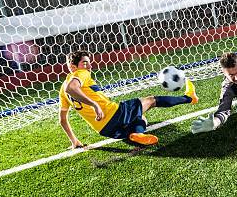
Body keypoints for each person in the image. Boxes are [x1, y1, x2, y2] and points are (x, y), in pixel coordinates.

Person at [59, 50, 199, 148]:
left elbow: (62, 119)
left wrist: (74, 141)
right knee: (151, 100)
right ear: (72, 67)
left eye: (89, 63)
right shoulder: (80, 74)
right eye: (84, 63)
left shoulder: (61, 91)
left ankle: (136, 134)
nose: (89, 66)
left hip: (105, 130)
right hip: (114, 113)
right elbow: (71, 88)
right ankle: (189, 98)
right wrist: (95, 105)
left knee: (142, 119)